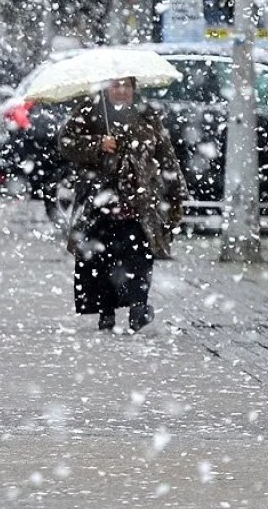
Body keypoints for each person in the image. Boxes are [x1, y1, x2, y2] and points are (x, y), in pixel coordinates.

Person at [59, 78, 187, 333]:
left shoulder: (147, 114)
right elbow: (65, 143)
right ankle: (106, 312)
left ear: (134, 88)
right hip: (100, 202)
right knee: (101, 259)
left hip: (139, 203)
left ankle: (138, 309)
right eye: (116, 85)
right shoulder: (90, 111)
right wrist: (98, 145)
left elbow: (166, 155)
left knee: (139, 257)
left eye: (126, 86)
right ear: (107, 88)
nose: (121, 91)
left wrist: (176, 193)